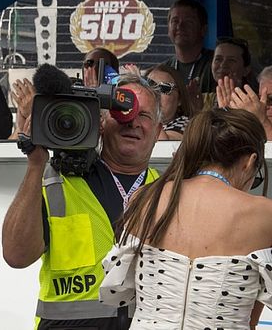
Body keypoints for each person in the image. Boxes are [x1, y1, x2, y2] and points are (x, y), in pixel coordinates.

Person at [2, 74, 163, 328]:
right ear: (101, 122)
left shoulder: (168, 193)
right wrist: (36, 164)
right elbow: (16, 255)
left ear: (158, 131)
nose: (132, 121)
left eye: (143, 115)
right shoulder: (55, 181)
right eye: (122, 111)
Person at [100, 109, 272, 328]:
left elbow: (123, 289)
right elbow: (252, 320)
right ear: (250, 162)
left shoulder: (144, 198)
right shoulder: (265, 215)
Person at [163, 0, 214, 98]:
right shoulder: (163, 70)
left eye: (189, 22)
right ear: (168, 29)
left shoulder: (216, 66)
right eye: (175, 21)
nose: (180, 26)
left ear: (203, 30)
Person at [145, 64, 195, 140]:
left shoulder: (186, 124)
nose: (155, 93)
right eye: (149, 87)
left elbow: (164, 143)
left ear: (179, 99)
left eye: (164, 88)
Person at [211, 37, 254, 110]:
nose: (223, 65)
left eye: (231, 60)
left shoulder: (252, 104)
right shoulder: (203, 100)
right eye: (218, 59)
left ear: (246, 70)